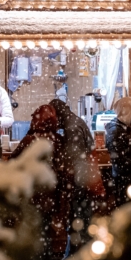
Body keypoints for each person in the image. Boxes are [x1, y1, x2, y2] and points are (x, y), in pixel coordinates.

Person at [10, 105, 72, 260]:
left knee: (35, 229)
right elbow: (65, 168)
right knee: (49, 229)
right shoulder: (58, 140)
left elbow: (13, 162)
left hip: (33, 195)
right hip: (53, 194)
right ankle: (49, 259)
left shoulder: (29, 140)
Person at [49, 98, 99, 251]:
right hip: (84, 177)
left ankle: (81, 255)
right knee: (83, 219)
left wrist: (68, 183)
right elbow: (90, 149)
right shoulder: (76, 121)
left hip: (79, 181)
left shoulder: (71, 128)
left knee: (79, 221)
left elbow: (74, 160)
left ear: (58, 114)